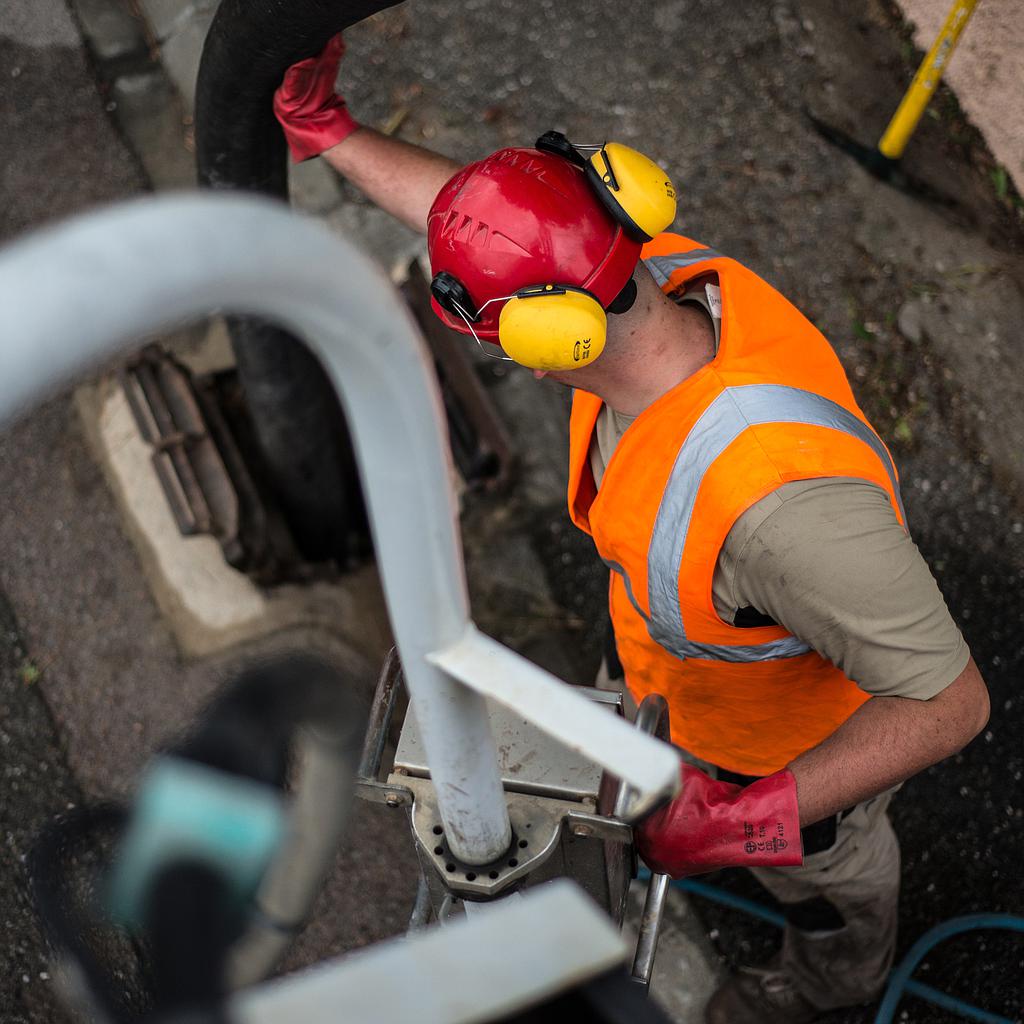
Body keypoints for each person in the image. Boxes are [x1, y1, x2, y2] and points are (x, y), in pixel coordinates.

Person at [273, 35, 990, 1024]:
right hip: (687, 700)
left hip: (789, 759)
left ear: (536, 350)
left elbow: (949, 700)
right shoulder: (657, 280)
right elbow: (499, 228)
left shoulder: (779, 509)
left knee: (829, 888)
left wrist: (748, 819)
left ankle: (832, 982)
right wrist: (334, 137)